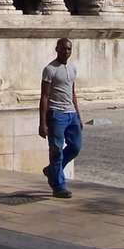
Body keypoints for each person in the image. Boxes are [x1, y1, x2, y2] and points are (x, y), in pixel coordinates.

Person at [39, 38, 82, 199]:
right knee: (56, 149)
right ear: (57, 49)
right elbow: (44, 96)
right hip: (56, 113)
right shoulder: (50, 69)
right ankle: (58, 185)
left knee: (76, 146)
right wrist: (42, 122)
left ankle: (52, 170)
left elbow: (72, 92)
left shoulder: (72, 68)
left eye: (69, 49)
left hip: (71, 113)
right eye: (64, 49)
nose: (67, 52)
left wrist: (78, 114)